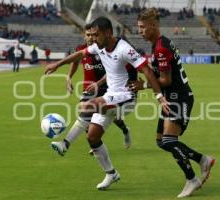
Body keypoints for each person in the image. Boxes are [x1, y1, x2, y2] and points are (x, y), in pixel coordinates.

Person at [45, 16, 169, 190]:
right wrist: (57, 64)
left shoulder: (124, 48)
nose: (93, 39)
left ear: (109, 33)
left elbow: (146, 69)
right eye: (92, 35)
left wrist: (159, 96)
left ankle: (65, 143)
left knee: (87, 106)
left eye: (97, 35)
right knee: (92, 137)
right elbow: (81, 54)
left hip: (126, 98)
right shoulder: (98, 46)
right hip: (111, 97)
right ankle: (111, 174)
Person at [135, 8, 215, 198]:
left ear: (153, 26)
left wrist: (144, 84)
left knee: (169, 140)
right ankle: (203, 160)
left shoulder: (161, 48)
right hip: (172, 97)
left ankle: (192, 179)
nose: (140, 31)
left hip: (179, 97)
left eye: (142, 27)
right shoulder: (159, 44)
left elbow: (166, 81)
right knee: (161, 141)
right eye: (138, 27)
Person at [51, 24, 133, 157]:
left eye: (92, 35)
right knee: (85, 109)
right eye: (88, 35)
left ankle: (124, 130)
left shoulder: (103, 48)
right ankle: (93, 142)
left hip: (106, 86)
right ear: (84, 36)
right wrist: (68, 78)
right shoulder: (81, 49)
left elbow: (113, 70)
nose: (90, 37)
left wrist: (99, 82)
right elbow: (75, 63)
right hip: (89, 87)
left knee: (110, 116)